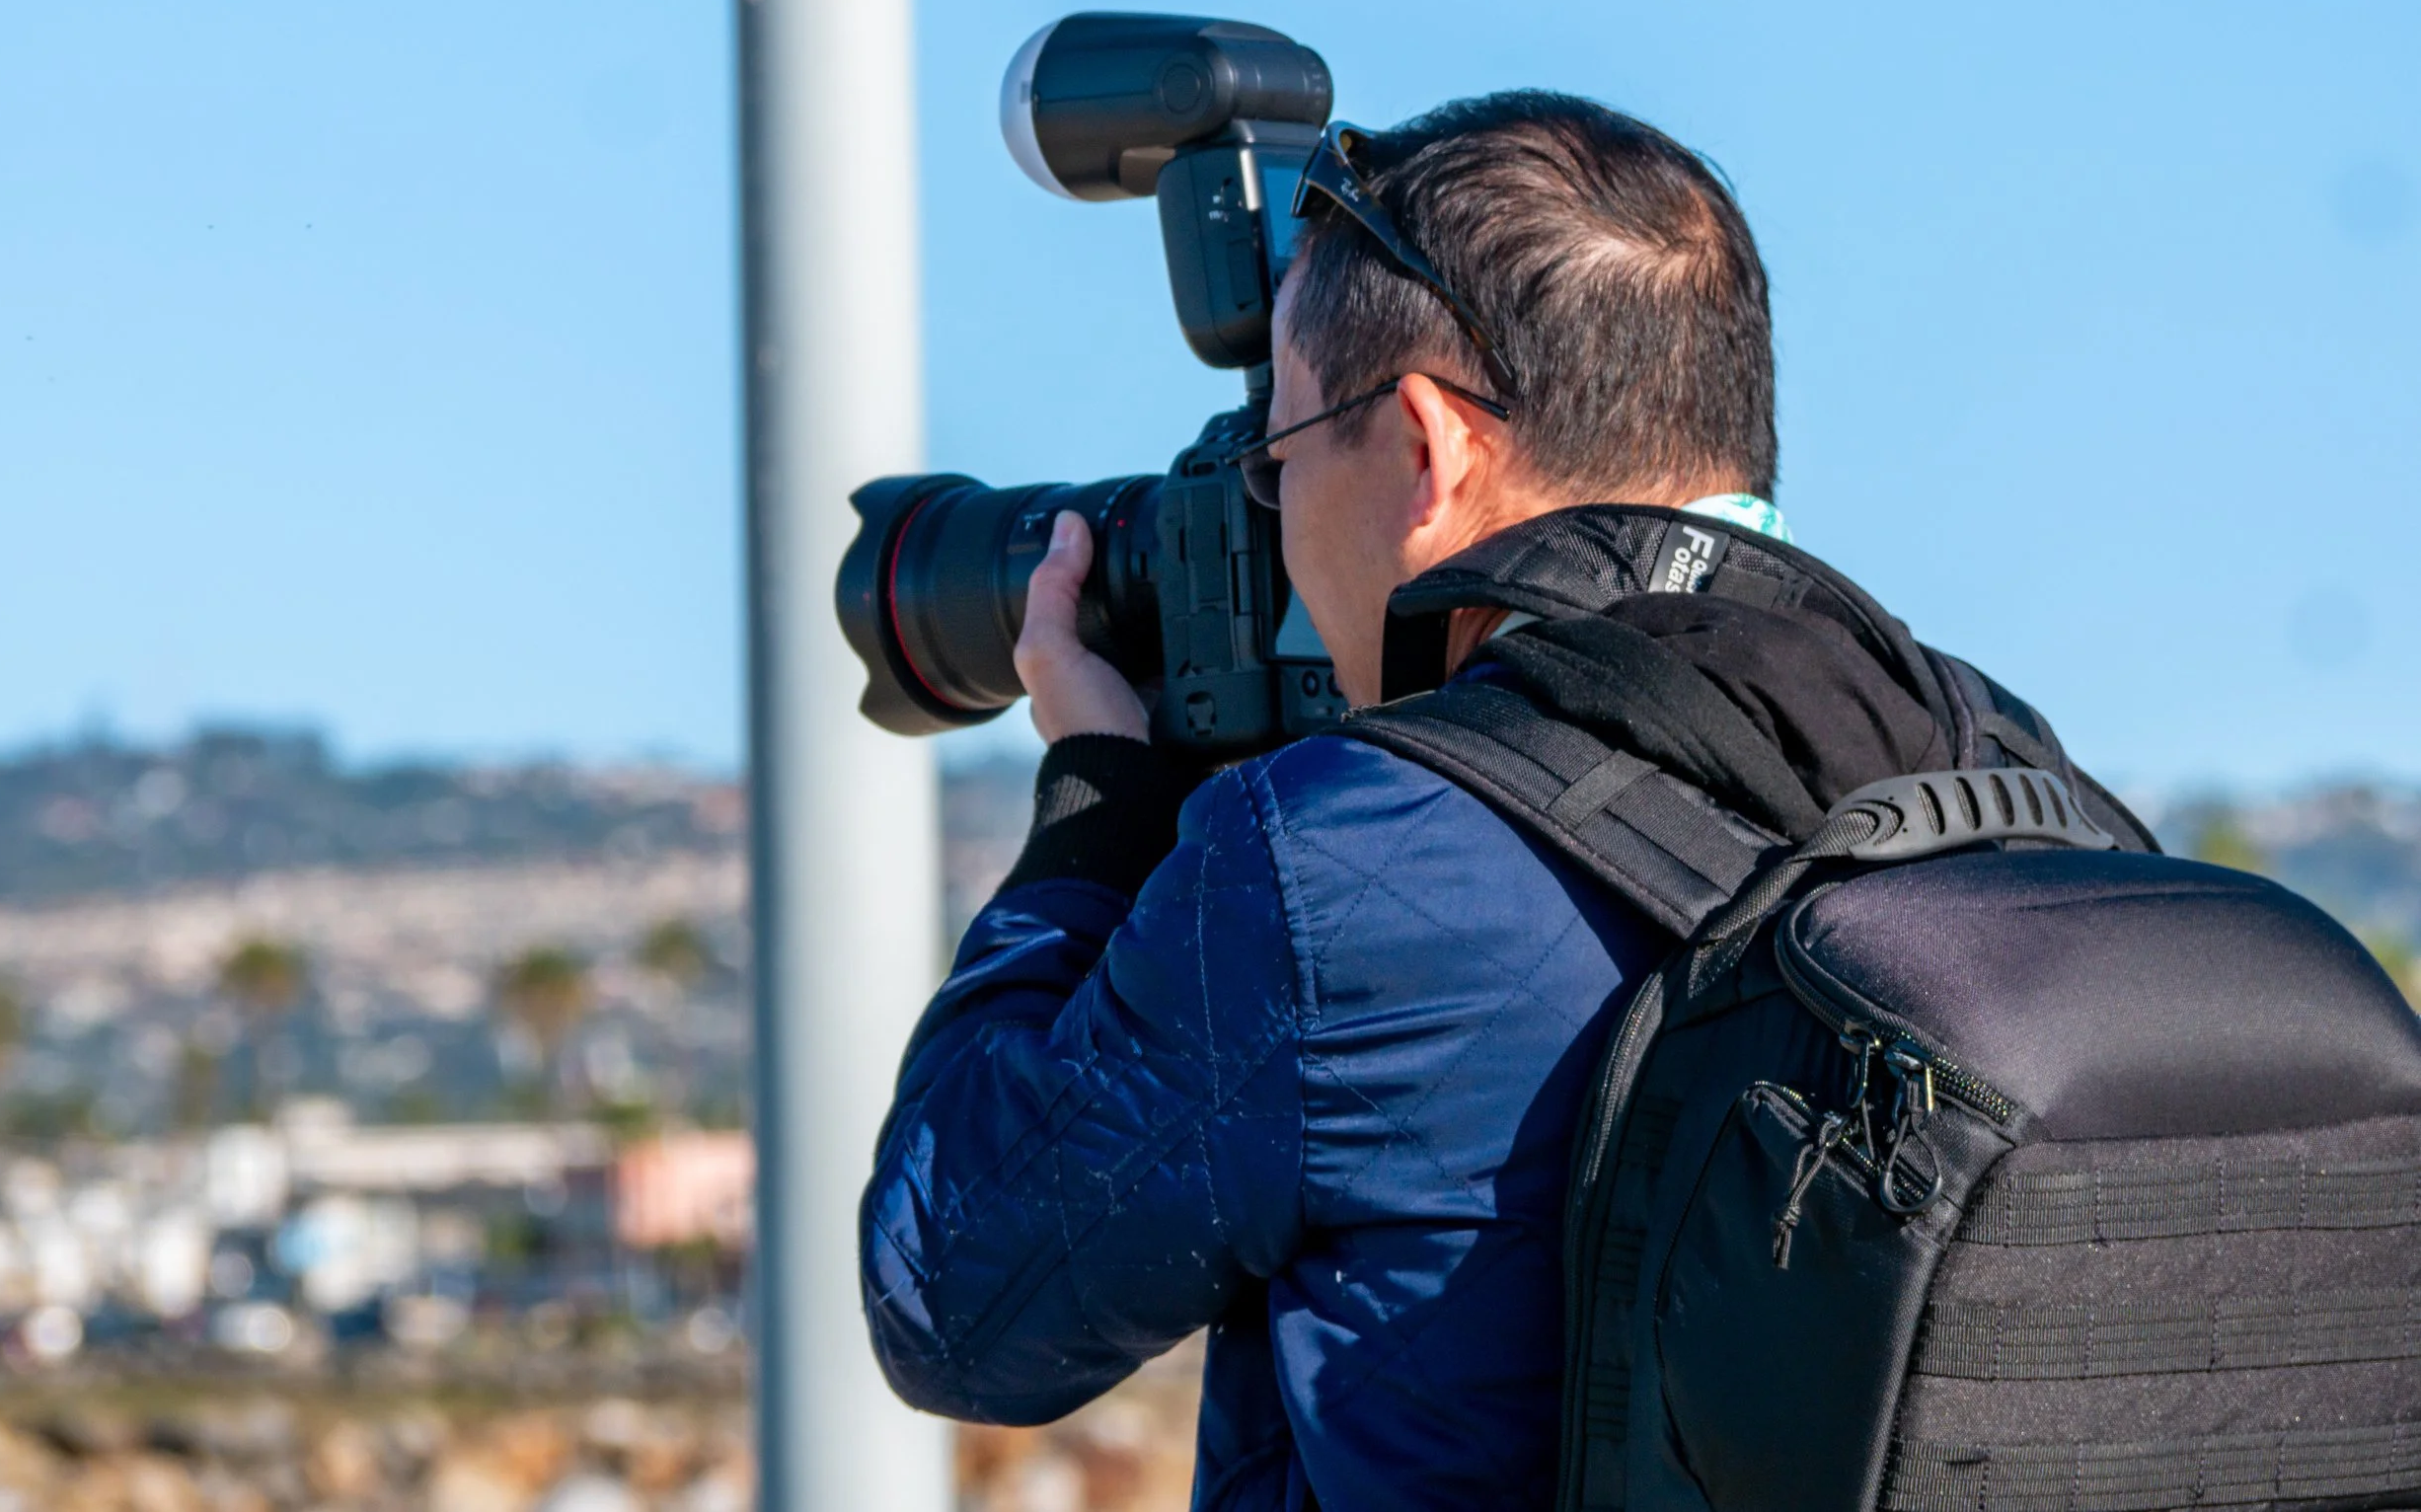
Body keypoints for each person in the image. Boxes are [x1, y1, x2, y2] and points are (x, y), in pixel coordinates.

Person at [859, 93, 2144, 1510]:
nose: (1273, 525)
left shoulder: (1334, 868)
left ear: (1426, 450)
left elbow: (953, 1301)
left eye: (1278, 460)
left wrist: (1098, 797)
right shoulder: (2026, 790)